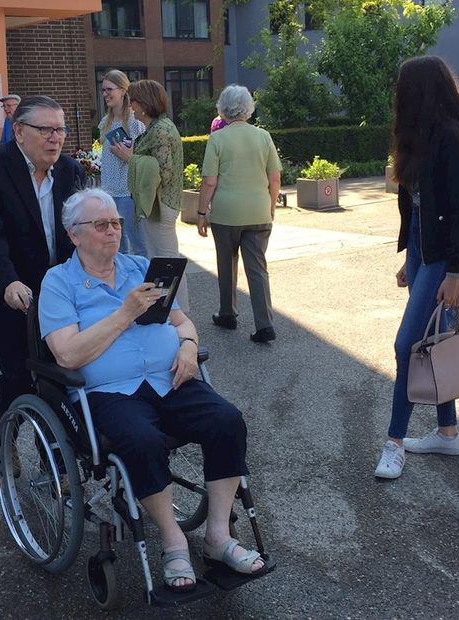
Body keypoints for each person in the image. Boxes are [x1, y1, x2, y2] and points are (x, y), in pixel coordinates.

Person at [39, 188, 268, 592]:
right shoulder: (59, 282)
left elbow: (182, 322)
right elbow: (68, 355)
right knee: (142, 441)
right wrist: (125, 313)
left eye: (116, 223)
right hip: (109, 392)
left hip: (169, 379)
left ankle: (218, 536)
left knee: (227, 421)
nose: (113, 232)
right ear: (74, 235)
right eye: (101, 225)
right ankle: (173, 539)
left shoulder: (141, 267)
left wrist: (190, 348)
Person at [373, 56, 459, 480]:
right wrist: (409, 256)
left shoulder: (453, 138)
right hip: (424, 253)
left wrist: (455, 272)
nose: (397, 98)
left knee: (407, 346)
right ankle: (448, 432)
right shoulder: (419, 137)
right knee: (434, 342)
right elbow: (415, 209)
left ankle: (395, 442)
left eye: (402, 89)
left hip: (443, 259)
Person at [0, 95, 87, 446]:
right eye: (45, 129)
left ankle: (54, 463)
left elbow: (80, 231)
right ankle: (2, 433)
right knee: (19, 376)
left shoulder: (70, 170)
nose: (55, 137)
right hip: (8, 293)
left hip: (57, 294)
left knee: (59, 377)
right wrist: (8, 280)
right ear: (19, 131)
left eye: (60, 129)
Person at [196, 85, 281, 343]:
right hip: (258, 211)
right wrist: (271, 205)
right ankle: (264, 324)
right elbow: (275, 177)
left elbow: (210, 181)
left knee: (226, 263)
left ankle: (228, 314)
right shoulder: (263, 136)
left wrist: (202, 212)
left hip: (226, 213)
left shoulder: (217, 139)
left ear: (222, 109)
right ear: (248, 108)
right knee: (257, 268)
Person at [110, 79, 190, 312]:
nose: (130, 107)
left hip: (160, 205)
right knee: (162, 261)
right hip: (158, 204)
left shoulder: (161, 130)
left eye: (131, 101)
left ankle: (179, 314)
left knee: (168, 263)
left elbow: (163, 172)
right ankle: (168, 312)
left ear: (143, 103)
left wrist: (130, 159)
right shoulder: (156, 128)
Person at [97, 70, 147, 255]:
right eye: (103, 90)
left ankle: (145, 281)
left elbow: (141, 157)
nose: (105, 94)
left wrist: (127, 154)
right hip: (108, 192)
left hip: (127, 193)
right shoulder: (106, 122)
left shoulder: (135, 123)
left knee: (138, 244)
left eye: (109, 89)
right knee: (117, 246)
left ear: (123, 90)